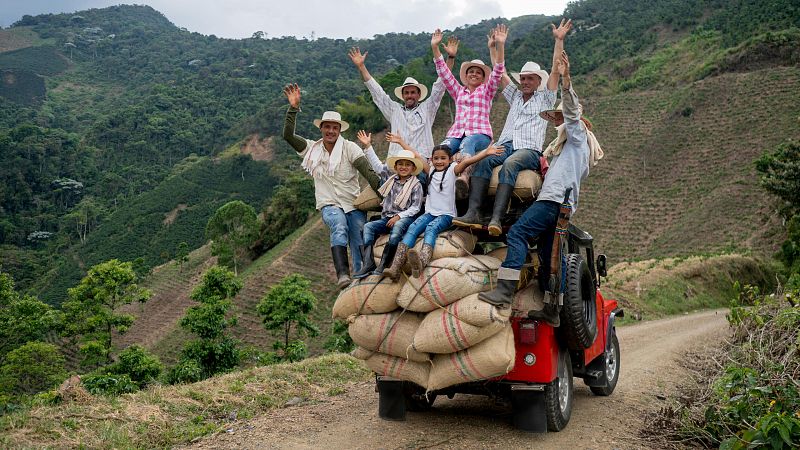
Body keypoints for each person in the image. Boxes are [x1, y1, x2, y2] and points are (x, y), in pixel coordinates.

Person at [479, 50, 604, 326]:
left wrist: (566, 78)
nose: (558, 122)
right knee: (550, 256)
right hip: (563, 205)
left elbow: (572, 111)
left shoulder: (577, 135)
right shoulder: (566, 149)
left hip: (553, 201)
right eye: (557, 119)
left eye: (560, 118)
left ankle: (504, 290)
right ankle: (553, 308)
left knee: (519, 233)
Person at [455, 20, 572, 236]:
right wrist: (495, 47)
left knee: (510, 164)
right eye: (523, 78)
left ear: (539, 81)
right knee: (485, 160)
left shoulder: (546, 97)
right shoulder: (515, 96)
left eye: (530, 79)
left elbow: (556, 68)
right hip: (506, 143)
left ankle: (497, 218)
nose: (525, 82)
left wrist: (559, 39)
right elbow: (500, 72)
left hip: (528, 149)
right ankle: (474, 213)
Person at [281, 83, 381, 290]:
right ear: (321, 128)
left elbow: (368, 173)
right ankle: (342, 274)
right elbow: (288, 136)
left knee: (359, 232)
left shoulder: (350, 148)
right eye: (327, 127)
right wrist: (293, 108)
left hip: (352, 203)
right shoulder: (312, 149)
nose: (331, 131)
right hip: (329, 204)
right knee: (339, 225)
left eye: (335, 127)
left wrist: (385, 194)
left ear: (339, 130)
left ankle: (361, 278)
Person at [384, 143, 503, 281]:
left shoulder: (453, 170)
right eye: (436, 158)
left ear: (450, 159)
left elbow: (468, 162)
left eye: (443, 158)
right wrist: (400, 142)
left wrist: (486, 152)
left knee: (431, 228)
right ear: (432, 160)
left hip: (446, 215)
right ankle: (396, 267)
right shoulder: (431, 170)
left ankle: (422, 261)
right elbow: (416, 154)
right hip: (430, 213)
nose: (439, 161)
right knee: (412, 228)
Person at [347, 40, 457, 160]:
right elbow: (377, 92)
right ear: (403, 95)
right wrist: (361, 67)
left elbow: (441, 84)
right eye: (406, 93)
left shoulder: (428, 107)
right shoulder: (394, 110)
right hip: (398, 161)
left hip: (423, 160)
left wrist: (450, 57)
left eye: (413, 92)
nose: (409, 95)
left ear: (419, 95)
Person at [431, 26, 506, 197]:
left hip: (479, 135)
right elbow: (444, 73)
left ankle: (464, 176)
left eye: (478, 73)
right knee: (443, 148)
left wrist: (499, 46)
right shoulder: (459, 91)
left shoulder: (487, 91)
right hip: (457, 134)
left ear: (482, 77)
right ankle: (436, 183)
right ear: (466, 75)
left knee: (468, 143)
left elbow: (498, 71)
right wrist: (435, 48)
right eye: (471, 71)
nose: (474, 74)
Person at [351, 131, 425, 279]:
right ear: (396, 166)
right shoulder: (390, 178)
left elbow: (415, 208)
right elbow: (378, 166)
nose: (404, 167)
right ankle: (368, 263)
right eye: (401, 164)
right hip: (387, 218)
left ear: (412, 168)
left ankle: (385, 263)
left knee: (397, 228)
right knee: (368, 227)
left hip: (404, 219)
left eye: (407, 165)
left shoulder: (416, 185)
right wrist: (368, 146)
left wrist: (399, 216)